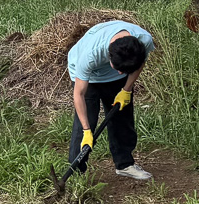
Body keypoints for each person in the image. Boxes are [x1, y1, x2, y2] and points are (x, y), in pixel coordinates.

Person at [65, 19, 157, 182]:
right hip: (89, 78)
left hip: (115, 74)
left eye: (124, 71)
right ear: (108, 56)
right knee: (86, 121)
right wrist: (87, 130)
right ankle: (76, 173)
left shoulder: (143, 41)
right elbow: (79, 94)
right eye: (119, 69)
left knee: (122, 117)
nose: (122, 73)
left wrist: (126, 89)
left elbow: (140, 62)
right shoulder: (90, 55)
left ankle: (124, 165)